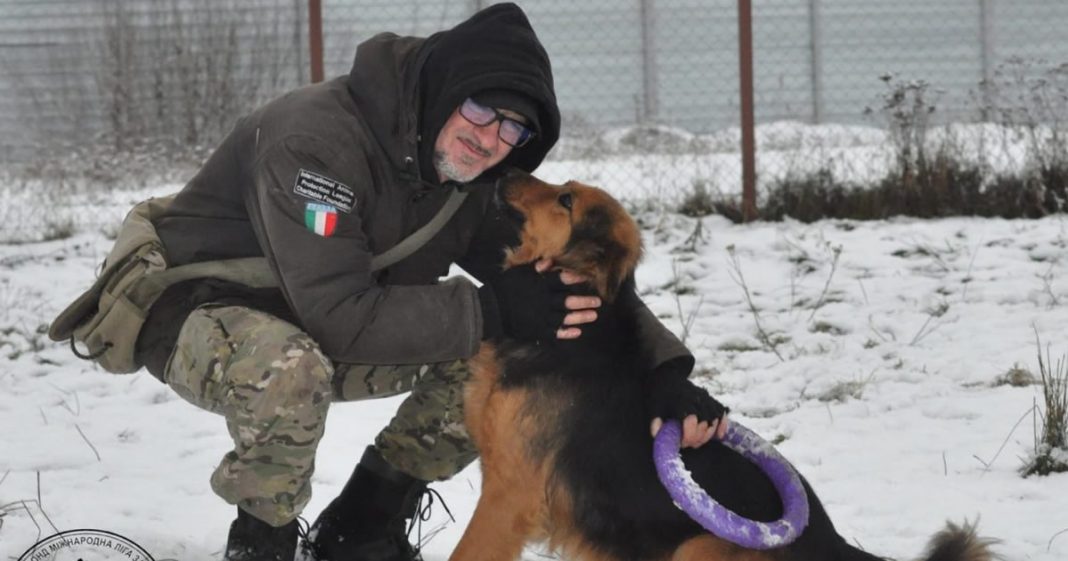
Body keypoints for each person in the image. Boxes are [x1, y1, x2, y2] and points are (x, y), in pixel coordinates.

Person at [133, 3, 728, 561]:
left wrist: (664, 374)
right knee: (291, 368)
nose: (490, 137)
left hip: (321, 326)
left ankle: (362, 529)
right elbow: (336, 316)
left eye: (513, 129)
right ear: (444, 90)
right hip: (201, 309)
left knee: (497, 360)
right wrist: (492, 309)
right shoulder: (312, 142)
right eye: (480, 109)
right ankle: (261, 542)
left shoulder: (466, 172)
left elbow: (572, 285)